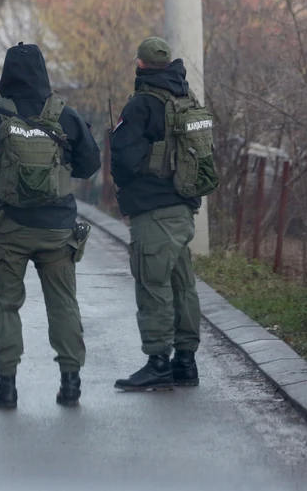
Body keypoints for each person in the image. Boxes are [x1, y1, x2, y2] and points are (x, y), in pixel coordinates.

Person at [0, 42, 101, 409]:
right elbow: (90, 165)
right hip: (58, 229)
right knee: (63, 304)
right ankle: (70, 383)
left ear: (6, 75)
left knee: (5, 307)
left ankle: (6, 388)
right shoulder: (65, 117)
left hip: (9, 229)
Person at [110, 37, 206, 392]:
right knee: (183, 285)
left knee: (153, 286)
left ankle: (158, 363)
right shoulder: (186, 98)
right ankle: (186, 362)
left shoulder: (142, 104)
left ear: (140, 65)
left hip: (153, 209)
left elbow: (124, 159)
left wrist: (128, 195)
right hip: (183, 206)